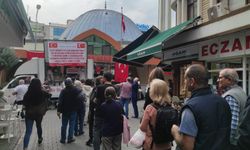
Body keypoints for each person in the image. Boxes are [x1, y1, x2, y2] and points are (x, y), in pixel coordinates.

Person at [171, 64, 231, 150]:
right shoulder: (223, 101)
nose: (184, 82)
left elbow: (187, 146)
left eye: (185, 79)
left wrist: (175, 131)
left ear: (192, 81)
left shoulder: (190, 108)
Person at [217, 68, 247, 149]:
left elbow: (232, 125)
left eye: (220, 78)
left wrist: (226, 144)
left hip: (233, 144)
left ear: (229, 80)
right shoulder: (240, 91)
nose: (218, 80)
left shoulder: (231, 96)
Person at [140, 79, 173, 150]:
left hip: (152, 144)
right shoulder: (171, 107)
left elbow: (143, 127)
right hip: (167, 145)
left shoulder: (150, 108)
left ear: (153, 92)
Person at [22, 78, 51, 150]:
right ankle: (40, 138)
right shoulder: (42, 92)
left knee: (28, 131)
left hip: (29, 114)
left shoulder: (27, 94)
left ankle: (25, 147)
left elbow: (24, 104)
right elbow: (49, 95)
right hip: (39, 113)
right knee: (39, 126)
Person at [57, 77, 82, 144]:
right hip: (73, 110)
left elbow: (60, 101)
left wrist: (58, 111)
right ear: (71, 83)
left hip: (65, 111)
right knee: (72, 124)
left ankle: (63, 139)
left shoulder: (63, 91)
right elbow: (80, 100)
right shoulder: (76, 90)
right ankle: (70, 138)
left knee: (64, 125)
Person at [93, 72, 114, 150]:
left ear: (104, 78)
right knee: (108, 131)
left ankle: (96, 148)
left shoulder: (99, 87)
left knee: (96, 131)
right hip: (111, 112)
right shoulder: (114, 87)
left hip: (99, 112)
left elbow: (95, 100)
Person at [86, 76, 103, 147]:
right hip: (94, 111)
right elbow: (93, 100)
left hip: (94, 111)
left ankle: (92, 140)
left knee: (93, 126)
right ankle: (93, 140)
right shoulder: (97, 89)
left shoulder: (96, 89)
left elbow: (92, 100)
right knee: (94, 126)